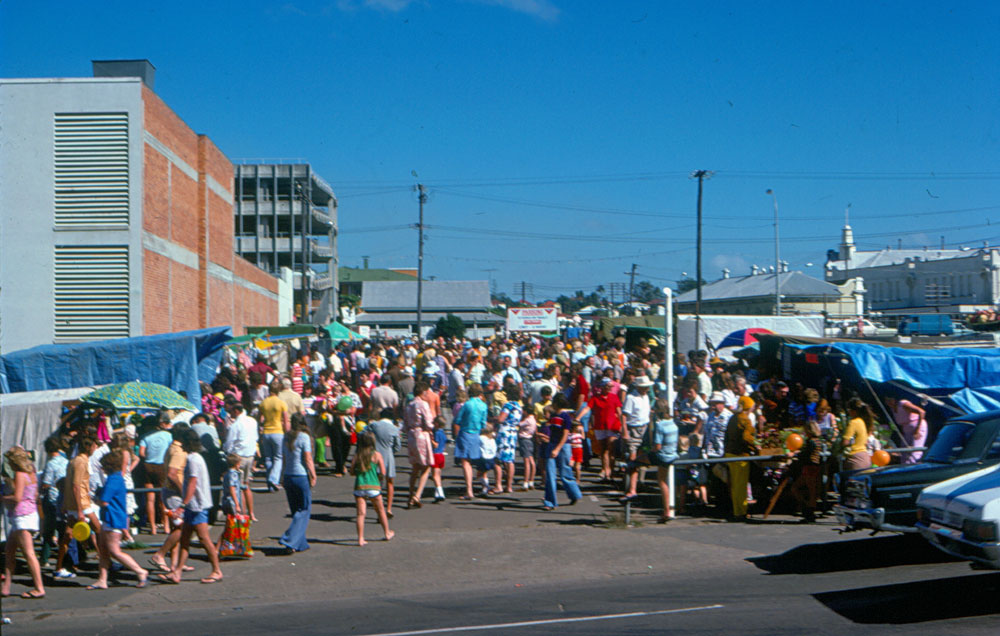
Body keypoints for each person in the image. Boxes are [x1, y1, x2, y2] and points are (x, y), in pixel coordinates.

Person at [159, 429, 223, 584]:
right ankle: (177, 572)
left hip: (197, 505)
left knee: (204, 539)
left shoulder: (193, 459)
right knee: (185, 539)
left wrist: (183, 504)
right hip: (193, 505)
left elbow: (193, 483)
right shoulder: (193, 458)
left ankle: (216, 570)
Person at [89, 449, 149, 590]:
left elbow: (104, 501)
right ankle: (102, 579)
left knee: (114, 551)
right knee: (103, 550)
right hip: (111, 518)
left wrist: (94, 498)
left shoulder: (113, 480)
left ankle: (140, 571)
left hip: (113, 518)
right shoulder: (116, 478)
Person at [54, 434, 102, 579]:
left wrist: (65, 504)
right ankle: (106, 562)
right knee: (100, 531)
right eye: (94, 445)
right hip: (82, 503)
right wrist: (80, 510)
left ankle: (58, 566)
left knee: (68, 536)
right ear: (88, 447)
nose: (96, 448)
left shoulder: (73, 461)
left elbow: (66, 484)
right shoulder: (81, 462)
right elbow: (75, 486)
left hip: (73, 504)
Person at [2, 447, 45, 599]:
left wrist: (3, 498)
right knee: (10, 550)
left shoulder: (20, 474)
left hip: (22, 516)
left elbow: (17, 497)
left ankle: (39, 588)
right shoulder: (31, 472)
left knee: (28, 553)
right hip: (29, 513)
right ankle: (6, 587)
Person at [278, 415, 317, 554]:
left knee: (296, 510)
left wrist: (281, 475)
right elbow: (307, 458)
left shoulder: (286, 437)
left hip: (288, 475)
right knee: (304, 509)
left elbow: (283, 458)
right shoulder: (304, 437)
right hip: (300, 475)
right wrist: (313, 474)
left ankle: (300, 543)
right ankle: (289, 539)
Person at [350, 431, 395, 546]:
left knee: (360, 513)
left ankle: (360, 538)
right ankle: (387, 532)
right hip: (373, 486)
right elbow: (383, 472)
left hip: (360, 486)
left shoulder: (357, 455)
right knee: (380, 511)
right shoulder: (376, 455)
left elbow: (351, 471)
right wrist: (379, 477)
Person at [541, 394, 582, 510]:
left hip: (563, 447)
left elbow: (565, 435)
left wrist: (557, 449)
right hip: (551, 445)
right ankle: (550, 502)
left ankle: (574, 494)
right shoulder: (553, 415)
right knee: (550, 474)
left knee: (565, 473)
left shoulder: (566, 417)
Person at [723, 396, 760, 522]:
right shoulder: (745, 419)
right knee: (741, 486)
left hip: (730, 454)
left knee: (735, 485)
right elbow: (746, 437)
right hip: (740, 455)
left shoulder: (733, 417)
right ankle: (741, 512)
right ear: (749, 407)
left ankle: (736, 510)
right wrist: (756, 445)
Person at [222, 399, 259, 521]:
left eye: (231, 412)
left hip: (239, 457)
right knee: (247, 485)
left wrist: (226, 451)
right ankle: (251, 513)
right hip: (250, 455)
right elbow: (256, 437)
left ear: (236, 411)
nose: (230, 415)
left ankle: (242, 513)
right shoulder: (252, 421)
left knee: (239, 486)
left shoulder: (236, 425)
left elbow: (228, 443)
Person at [138, 413, 173, 535]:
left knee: (150, 499)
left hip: (148, 466)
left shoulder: (144, 437)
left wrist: (149, 455)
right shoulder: (168, 435)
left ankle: (153, 527)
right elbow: (171, 449)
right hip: (162, 466)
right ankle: (166, 525)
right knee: (162, 498)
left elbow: (141, 453)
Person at [620, 376, 653, 503]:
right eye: (644, 387)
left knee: (642, 458)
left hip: (644, 429)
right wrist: (625, 431)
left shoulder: (646, 397)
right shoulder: (631, 398)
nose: (646, 389)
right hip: (633, 429)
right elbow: (624, 415)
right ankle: (631, 489)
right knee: (632, 459)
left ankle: (638, 484)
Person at [404, 381, 436, 508]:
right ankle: (417, 495)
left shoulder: (409, 405)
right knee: (426, 466)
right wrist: (432, 428)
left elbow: (405, 423)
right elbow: (428, 422)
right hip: (421, 434)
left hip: (411, 434)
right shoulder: (423, 404)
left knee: (415, 467)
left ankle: (411, 493)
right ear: (423, 392)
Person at [453, 384, 488, 500]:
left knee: (465, 462)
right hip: (476, 434)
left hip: (465, 432)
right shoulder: (483, 406)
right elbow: (483, 424)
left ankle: (469, 490)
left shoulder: (467, 404)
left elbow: (457, 420)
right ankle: (482, 485)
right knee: (475, 461)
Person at [39, 435, 69, 567]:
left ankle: (44, 558)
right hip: (63, 497)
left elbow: (46, 483)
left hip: (52, 499)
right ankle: (67, 558)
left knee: (48, 529)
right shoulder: (65, 461)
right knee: (63, 529)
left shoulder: (50, 464)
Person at [366, 409, 402, 518]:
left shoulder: (374, 425)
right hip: (388, 455)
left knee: (378, 483)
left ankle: (379, 509)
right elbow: (397, 446)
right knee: (390, 482)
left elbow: (364, 434)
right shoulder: (394, 429)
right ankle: (389, 508)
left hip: (375, 454)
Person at [649, 398, 679, 523]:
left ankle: (666, 510)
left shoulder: (660, 425)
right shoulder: (673, 423)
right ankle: (667, 509)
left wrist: (650, 450)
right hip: (672, 453)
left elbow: (657, 446)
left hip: (663, 456)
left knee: (661, 481)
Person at [259, 381, 291, 490]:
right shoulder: (281, 403)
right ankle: (273, 479)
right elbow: (286, 420)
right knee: (278, 457)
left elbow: (260, 419)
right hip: (278, 431)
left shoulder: (263, 403)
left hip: (266, 432)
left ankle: (270, 482)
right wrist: (288, 433)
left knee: (268, 458)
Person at [790, 420, 823, 522]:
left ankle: (808, 510)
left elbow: (806, 454)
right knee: (808, 490)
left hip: (810, 467)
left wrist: (796, 454)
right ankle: (808, 508)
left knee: (805, 489)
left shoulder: (811, 442)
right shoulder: (818, 441)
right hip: (814, 467)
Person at [495, 384, 523, 494]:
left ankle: (498, 485)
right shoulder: (519, 407)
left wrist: (493, 418)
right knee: (510, 460)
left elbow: (501, 419)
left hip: (504, 432)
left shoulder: (508, 405)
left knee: (498, 459)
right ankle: (509, 485)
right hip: (513, 432)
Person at [885, 396, 927, 464]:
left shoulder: (902, 404)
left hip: (917, 427)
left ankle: (914, 468)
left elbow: (921, 412)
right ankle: (904, 467)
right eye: (886, 401)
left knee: (915, 450)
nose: (888, 402)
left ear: (895, 399)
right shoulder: (892, 409)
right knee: (904, 451)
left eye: (890, 399)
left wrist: (917, 430)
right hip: (907, 430)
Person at [842, 397, 874, 471]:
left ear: (852, 411)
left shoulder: (853, 422)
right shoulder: (863, 422)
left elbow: (845, 442)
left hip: (855, 459)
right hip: (865, 457)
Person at [518, 412, 538, 489]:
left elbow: (519, 424)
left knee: (526, 462)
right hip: (530, 439)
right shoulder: (533, 419)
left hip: (524, 439)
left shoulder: (527, 420)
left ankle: (525, 482)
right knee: (531, 460)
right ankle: (531, 481)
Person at [431, 416, 448, 502]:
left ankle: (440, 492)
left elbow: (435, 445)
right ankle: (437, 493)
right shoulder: (443, 433)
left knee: (434, 476)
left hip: (435, 455)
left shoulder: (436, 433)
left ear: (437, 424)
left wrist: (430, 440)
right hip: (441, 455)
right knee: (438, 475)